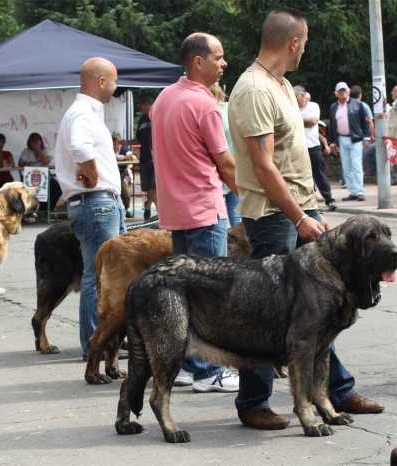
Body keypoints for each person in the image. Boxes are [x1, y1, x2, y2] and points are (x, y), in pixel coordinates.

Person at [228, 7, 384, 431]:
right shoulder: (255, 89)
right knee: (268, 311)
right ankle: (253, 402)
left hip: (298, 209)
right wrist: (300, 217)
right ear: (294, 42)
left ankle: (336, 390)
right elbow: (262, 165)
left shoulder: (277, 84)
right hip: (277, 217)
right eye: (306, 42)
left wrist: (308, 210)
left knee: (323, 305)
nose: (305, 49)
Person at [150, 33, 239, 393]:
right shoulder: (204, 104)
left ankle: (188, 365)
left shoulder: (164, 98)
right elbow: (226, 163)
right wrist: (250, 196)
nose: (224, 63)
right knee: (210, 295)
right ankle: (207, 370)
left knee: (184, 295)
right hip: (204, 210)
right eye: (218, 57)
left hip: (177, 212)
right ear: (198, 62)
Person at [54, 57, 126, 361]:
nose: (115, 86)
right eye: (114, 81)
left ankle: (102, 344)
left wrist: (92, 171)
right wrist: (93, 174)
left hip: (98, 203)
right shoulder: (83, 114)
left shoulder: (83, 112)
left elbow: (81, 150)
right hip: (97, 203)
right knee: (98, 277)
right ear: (101, 82)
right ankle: (95, 347)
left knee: (106, 276)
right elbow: (80, 148)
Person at [294, 86, 336, 211]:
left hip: (312, 146)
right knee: (302, 176)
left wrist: (296, 121)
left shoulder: (313, 106)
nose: (293, 98)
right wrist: (302, 122)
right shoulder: (291, 107)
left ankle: (329, 199)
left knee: (319, 174)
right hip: (297, 147)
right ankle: (310, 202)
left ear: (302, 95)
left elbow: (313, 121)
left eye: (295, 95)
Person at [327, 82, 371, 201]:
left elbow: (364, 121)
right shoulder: (333, 107)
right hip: (341, 139)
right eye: (340, 91)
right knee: (346, 167)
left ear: (348, 91)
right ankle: (353, 191)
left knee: (356, 165)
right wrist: (332, 143)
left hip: (355, 138)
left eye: (344, 90)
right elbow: (331, 126)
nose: (343, 92)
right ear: (336, 93)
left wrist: (366, 137)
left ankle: (359, 191)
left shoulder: (357, 104)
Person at [120, 94, 156, 220]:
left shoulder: (159, 116)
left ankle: (147, 207)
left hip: (158, 160)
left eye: (139, 104)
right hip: (145, 159)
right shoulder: (141, 120)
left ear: (147, 103)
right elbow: (139, 139)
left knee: (154, 188)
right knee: (148, 189)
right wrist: (127, 143)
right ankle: (158, 218)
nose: (138, 106)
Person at [212, 84, 241, 225]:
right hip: (237, 167)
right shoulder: (232, 109)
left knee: (216, 217)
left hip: (218, 168)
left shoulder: (212, 112)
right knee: (237, 217)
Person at [18, 132, 62, 211]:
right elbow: (20, 163)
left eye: (37, 141)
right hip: (30, 179)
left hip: (46, 177)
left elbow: (46, 162)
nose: (34, 143)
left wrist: (38, 150)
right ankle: (36, 210)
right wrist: (27, 163)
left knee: (57, 188)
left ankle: (47, 210)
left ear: (41, 142)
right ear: (29, 142)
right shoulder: (27, 151)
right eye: (32, 141)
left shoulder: (46, 150)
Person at [112, 133, 133, 218]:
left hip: (123, 173)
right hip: (112, 174)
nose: (117, 146)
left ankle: (128, 208)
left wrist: (129, 156)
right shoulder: (108, 149)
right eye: (115, 144)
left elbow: (130, 157)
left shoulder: (125, 149)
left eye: (118, 144)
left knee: (124, 182)